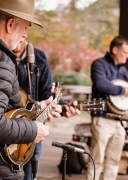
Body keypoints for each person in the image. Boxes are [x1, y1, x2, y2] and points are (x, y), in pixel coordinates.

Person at [0, 0, 79, 179]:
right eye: (25, 27)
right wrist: (33, 130)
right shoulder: (3, 63)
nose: (25, 35)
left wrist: (42, 107)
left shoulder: (36, 58)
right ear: (11, 24)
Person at [13, 39, 81, 180]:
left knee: (30, 174)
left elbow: (47, 92)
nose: (22, 36)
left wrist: (63, 106)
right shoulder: (4, 56)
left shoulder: (39, 57)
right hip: (8, 127)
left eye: (25, 30)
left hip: (34, 128)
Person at [86, 35, 128, 180]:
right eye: (125, 53)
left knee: (114, 160)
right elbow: (100, 83)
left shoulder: (123, 71)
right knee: (96, 158)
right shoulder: (99, 64)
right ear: (115, 50)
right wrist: (122, 90)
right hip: (102, 118)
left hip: (119, 120)